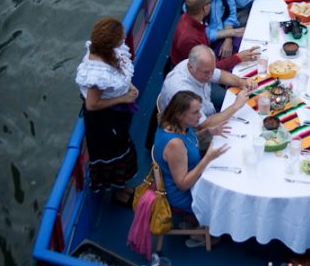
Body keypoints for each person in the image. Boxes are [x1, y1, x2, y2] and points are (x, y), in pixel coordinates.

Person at [75, 17, 139, 200]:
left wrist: (128, 87)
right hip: (104, 121)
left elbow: (118, 76)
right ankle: (118, 192)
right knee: (115, 153)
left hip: (116, 117)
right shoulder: (97, 73)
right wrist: (124, 97)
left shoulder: (110, 53)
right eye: (120, 36)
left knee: (123, 144)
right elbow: (92, 104)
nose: (124, 37)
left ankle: (123, 186)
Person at [153, 90, 229, 215]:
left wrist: (208, 132)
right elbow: (182, 185)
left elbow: (188, 142)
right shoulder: (175, 144)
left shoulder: (176, 125)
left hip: (193, 175)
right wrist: (207, 159)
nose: (200, 116)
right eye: (195, 112)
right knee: (226, 200)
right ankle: (210, 230)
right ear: (179, 115)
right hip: (185, 194)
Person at [159, 46, 255, 129]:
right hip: (191, 130)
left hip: (206, 105)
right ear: (191, 68)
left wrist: (241, 82)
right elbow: (203, 125)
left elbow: (220, 75)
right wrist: (236, 106)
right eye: (206, 72)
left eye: (212, 70)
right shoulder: (183, 92)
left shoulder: (198, 65)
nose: (210, 75)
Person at [170, 0, 259, 69]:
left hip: (206, 53)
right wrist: (238, 57)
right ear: (205, 8)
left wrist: (231, 34)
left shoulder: (189, 16)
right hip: (195, 71)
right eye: (210, 3)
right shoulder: (190, 39)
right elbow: (212, 68)